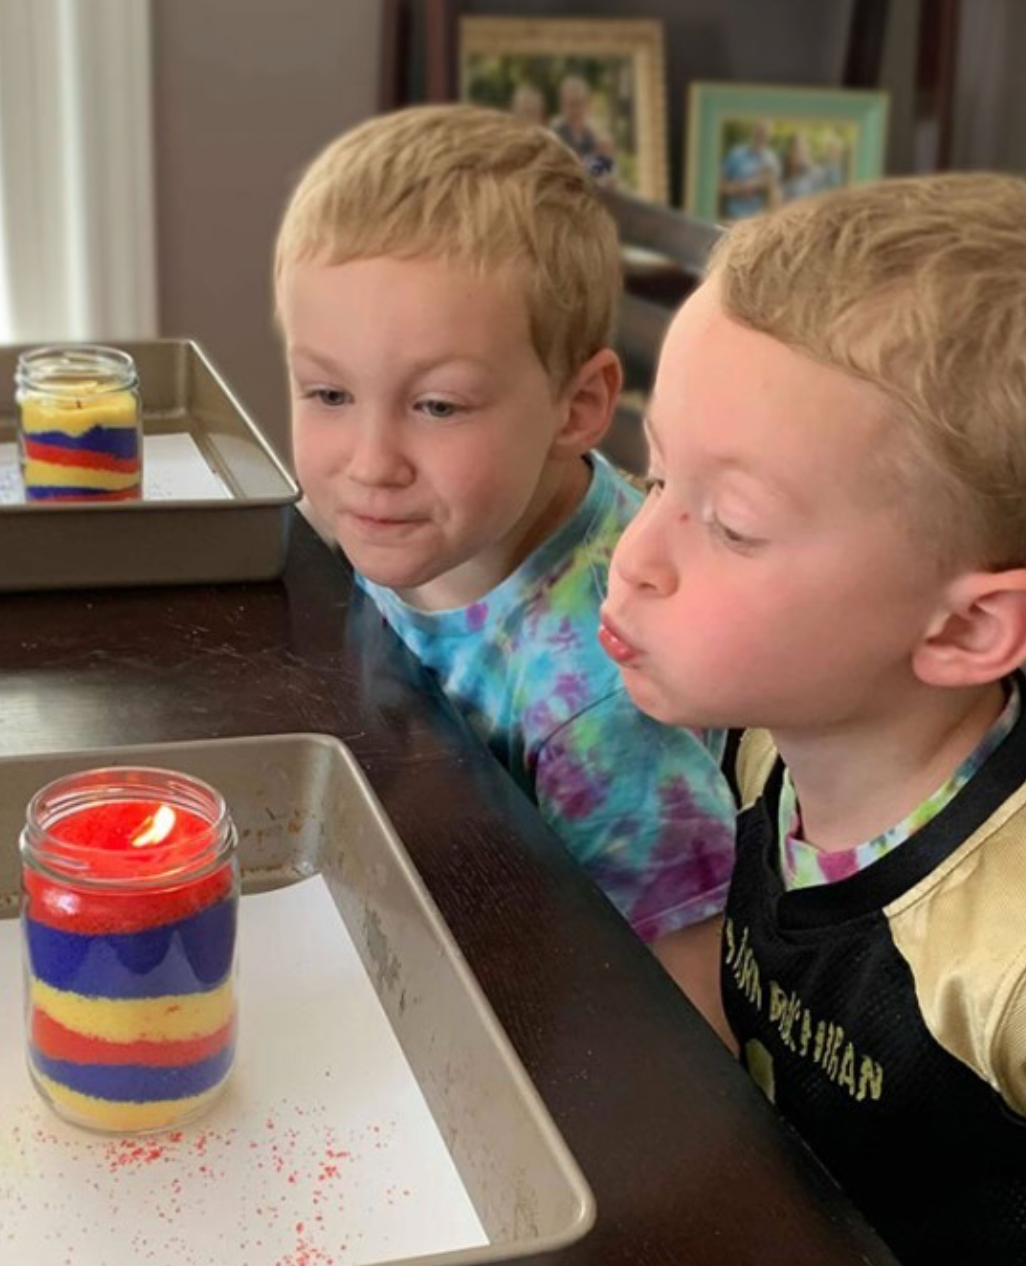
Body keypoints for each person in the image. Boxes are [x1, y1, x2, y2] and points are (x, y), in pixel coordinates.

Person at [599, 171, 1026, 1266]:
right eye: (653, 482)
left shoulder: (1004, 963)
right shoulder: (763, 745)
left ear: (968, 631)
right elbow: (752, 971)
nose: (633, 561)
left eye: (731, 527)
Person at [274, 104, 735, 970]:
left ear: (579, 407)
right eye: (328, 395)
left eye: (437, 406)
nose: (371, 464)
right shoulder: (421, 521)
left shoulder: (602, 700)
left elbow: (681, 987)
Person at [551, 75, 617, 183]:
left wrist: (605, 161)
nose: (576, 110)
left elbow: (610, 178)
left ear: (587, 104)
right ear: (562, 105)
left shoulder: (598, 136)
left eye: (580, 103)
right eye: (571, 104)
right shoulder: (554, 136)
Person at [719, 119, 780, 219]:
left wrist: (766, 184)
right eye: (759, 132)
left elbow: (775, 199)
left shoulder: (772, 160)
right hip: (732, 216)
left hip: (757, 221)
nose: (761, 137)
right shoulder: (736, 154)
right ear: (753, 132)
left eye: (765, 134)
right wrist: (739, 189)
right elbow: (720, 186)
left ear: (769, 137)